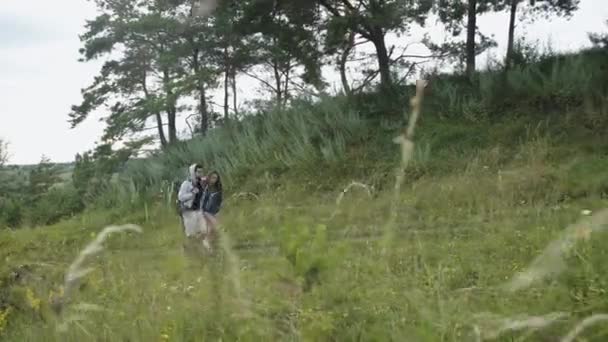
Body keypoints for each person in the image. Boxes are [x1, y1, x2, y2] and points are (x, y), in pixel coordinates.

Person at [177, 164, 211, 252]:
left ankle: (205, 249)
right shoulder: (186, 183)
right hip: (188, 211)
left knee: (204, 230)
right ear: (193, 172)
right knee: (191, 234)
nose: (200, 174)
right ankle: (189, 250)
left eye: (201, 172)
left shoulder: (201, 183)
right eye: (198, 172)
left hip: (198, 210)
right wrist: (192, 193)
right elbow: (180, 197)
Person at [200, 171, 223, 250]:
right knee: (214, 228)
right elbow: (202, 200)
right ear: (209, 178)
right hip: (206, 211)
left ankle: (208, 245)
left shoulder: (218, 188)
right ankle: (207, 245)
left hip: (215, 212)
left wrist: (218, 211)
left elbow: (219, 201)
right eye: (212, 177)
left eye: (216, 178)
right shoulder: (205, 187)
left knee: (212, 230)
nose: (214, 180)